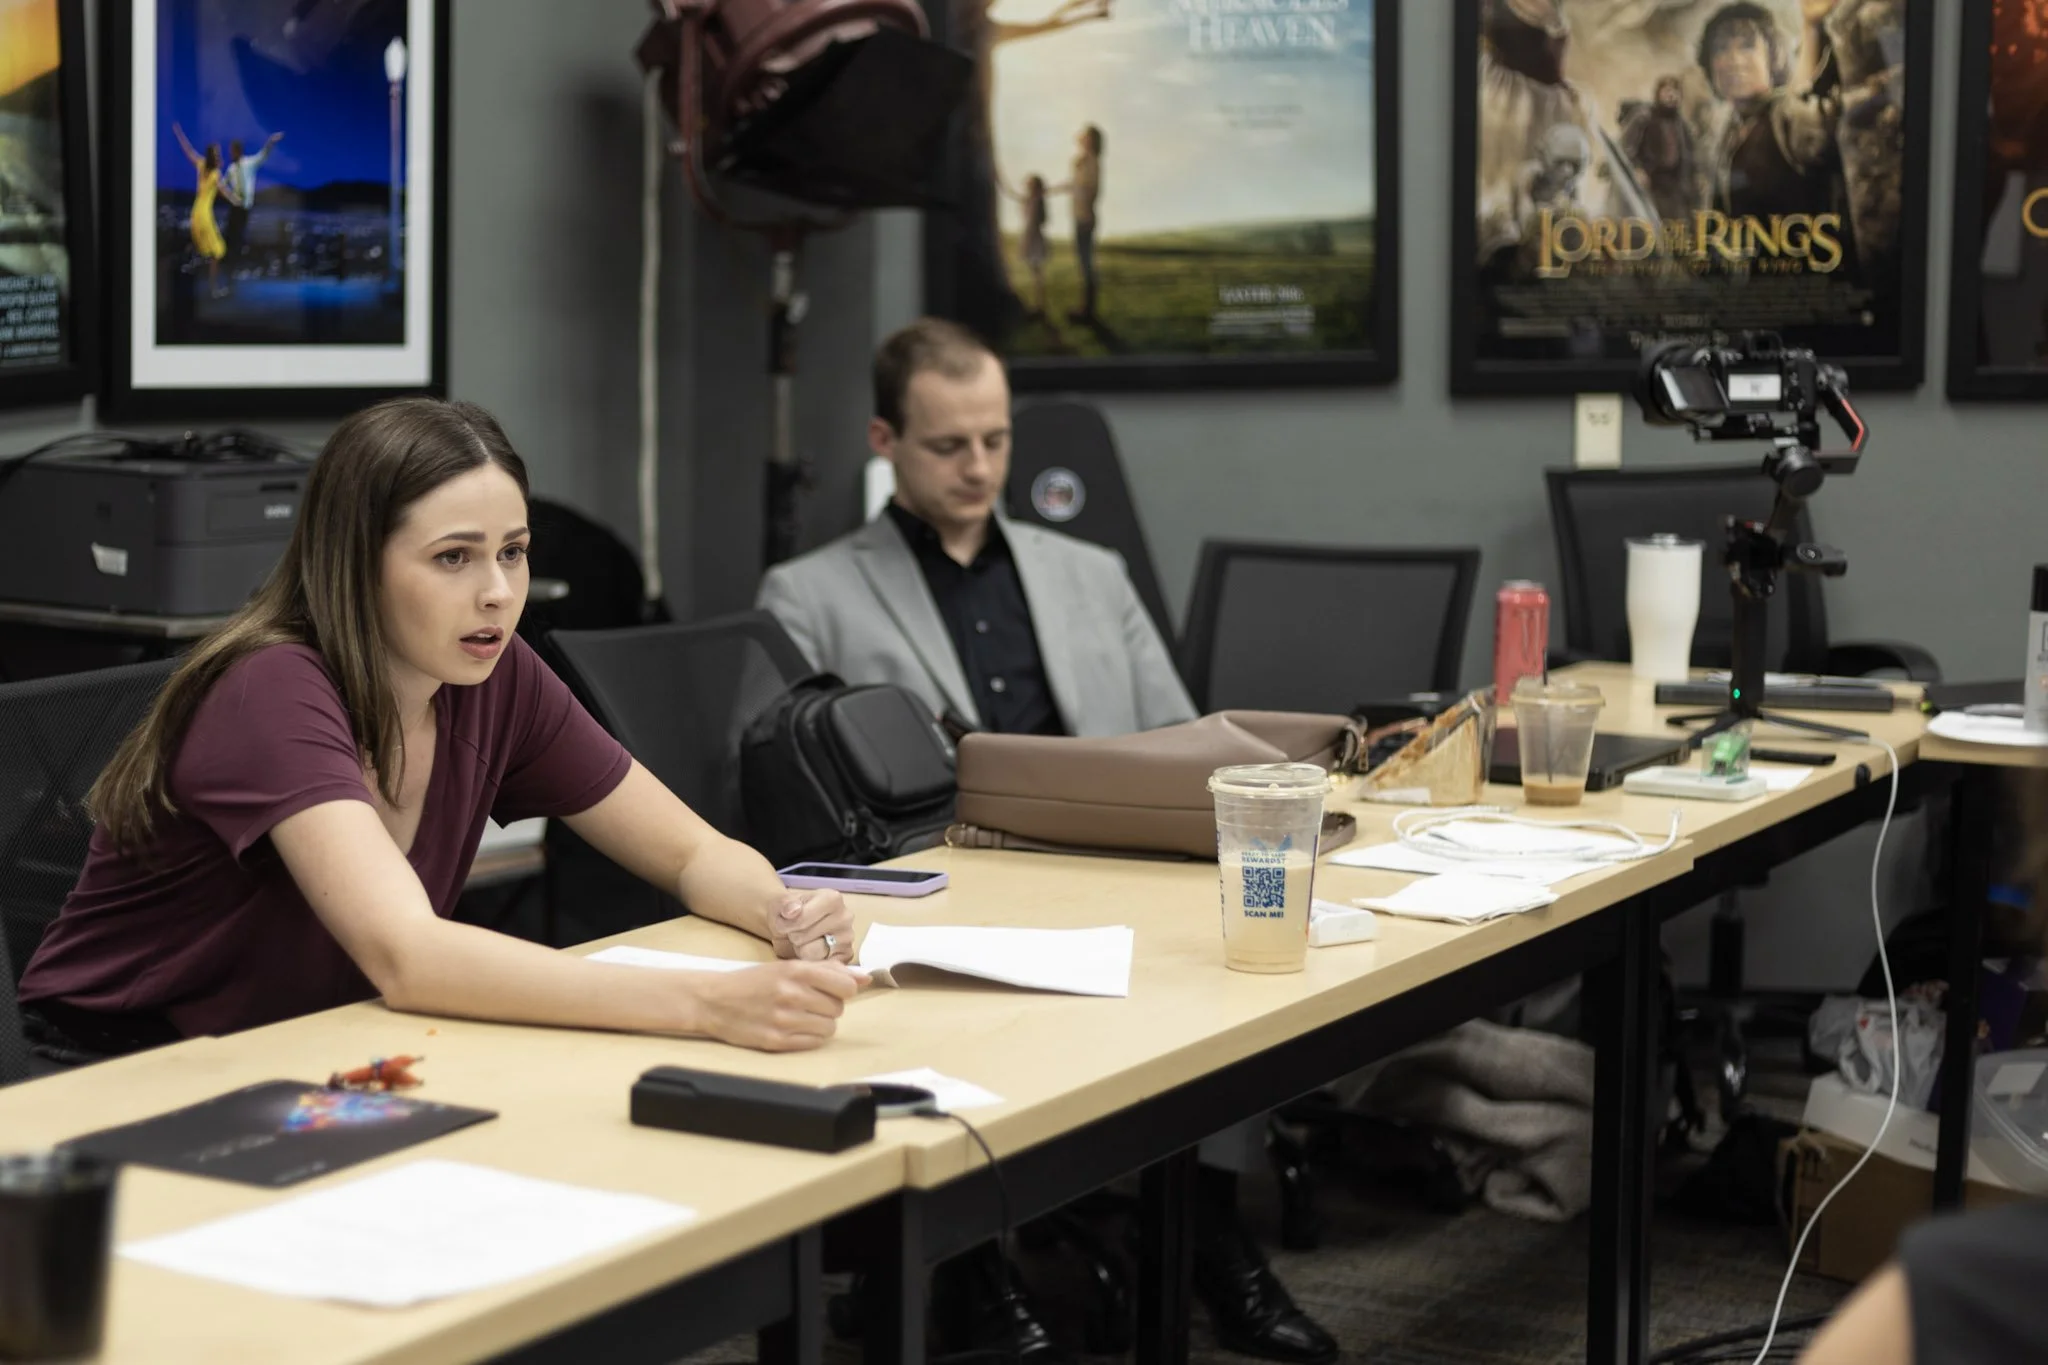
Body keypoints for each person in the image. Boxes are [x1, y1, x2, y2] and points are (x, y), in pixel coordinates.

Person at [758, 319, 1336, 1365]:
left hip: (1104, 864)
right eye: (947, 445)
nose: (978, 466)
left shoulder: (1089, 572)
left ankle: (1209, 1238)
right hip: (935, 885)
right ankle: (967, 1278)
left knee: (1229, 976)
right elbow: (808, 802)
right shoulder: (807, 594)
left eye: (995, 439)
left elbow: (1181, 744)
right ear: (884, 440)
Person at [18, 398, 864, 1072]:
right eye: (454, 558)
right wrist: (707, 1005)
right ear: (355, 561)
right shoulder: (272, 687)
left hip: (308, 1052)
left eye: (515, 552)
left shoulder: (497, 673)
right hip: (113, 1074)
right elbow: (411, 957)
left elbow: (688, 852)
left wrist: (782, 912)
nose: (498, 592)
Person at [1696, 2, 1850, 245]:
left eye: (1747, 46)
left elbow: (1805, 106)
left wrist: (1811, 27)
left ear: (1773, 55)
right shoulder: (1726, 134)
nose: (1734, 60)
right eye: (1721, 49)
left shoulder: (1785, 115)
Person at [1620, 74, 1696, 221]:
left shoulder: (1681, 124)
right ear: (1658, 93)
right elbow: (1627, 147)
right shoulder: (1644, 117)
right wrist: (1637, 169)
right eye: (1667, 91)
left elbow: (1689, 154)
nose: (1671, 95)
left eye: (1675, 92)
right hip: (1650, 180)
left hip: (1674, 184)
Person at [171, 123, 230, 299]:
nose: (220, 155)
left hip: (196, 212)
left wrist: (179, 134)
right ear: (214, 156)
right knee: (216, 251)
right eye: (218, 153)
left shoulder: (201, 164)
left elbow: (188, 149)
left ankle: (188, 264)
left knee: (206, 249)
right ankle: (213, 289)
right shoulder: (216, 174)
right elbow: (223, 191)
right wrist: (236, 200)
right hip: (204, 215)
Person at [1053, 126, 1104, 323]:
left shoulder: (1091, 163)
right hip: (1080, 216)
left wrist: (1087, 212)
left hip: (1085, 217)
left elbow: (1090, 190)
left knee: (1087, 262)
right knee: (1084, 262)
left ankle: (1088, 310)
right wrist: (1049, 190)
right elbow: (1073, 185)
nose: (1083, 140)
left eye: (1087, 138)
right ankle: (1087, 309)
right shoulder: (1082, 162)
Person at [223, 130, 285, 265]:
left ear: (237, 150)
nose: (230, 153)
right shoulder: (231, 168)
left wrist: (271, 142)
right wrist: (229, 196)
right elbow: (222, 185)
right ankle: (228, 262)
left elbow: (263, 155)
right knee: (230, 237)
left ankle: (236, 263)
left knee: (240, 236)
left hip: (244, 207)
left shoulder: (248, 163)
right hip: (234, 206)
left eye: (232, 150)